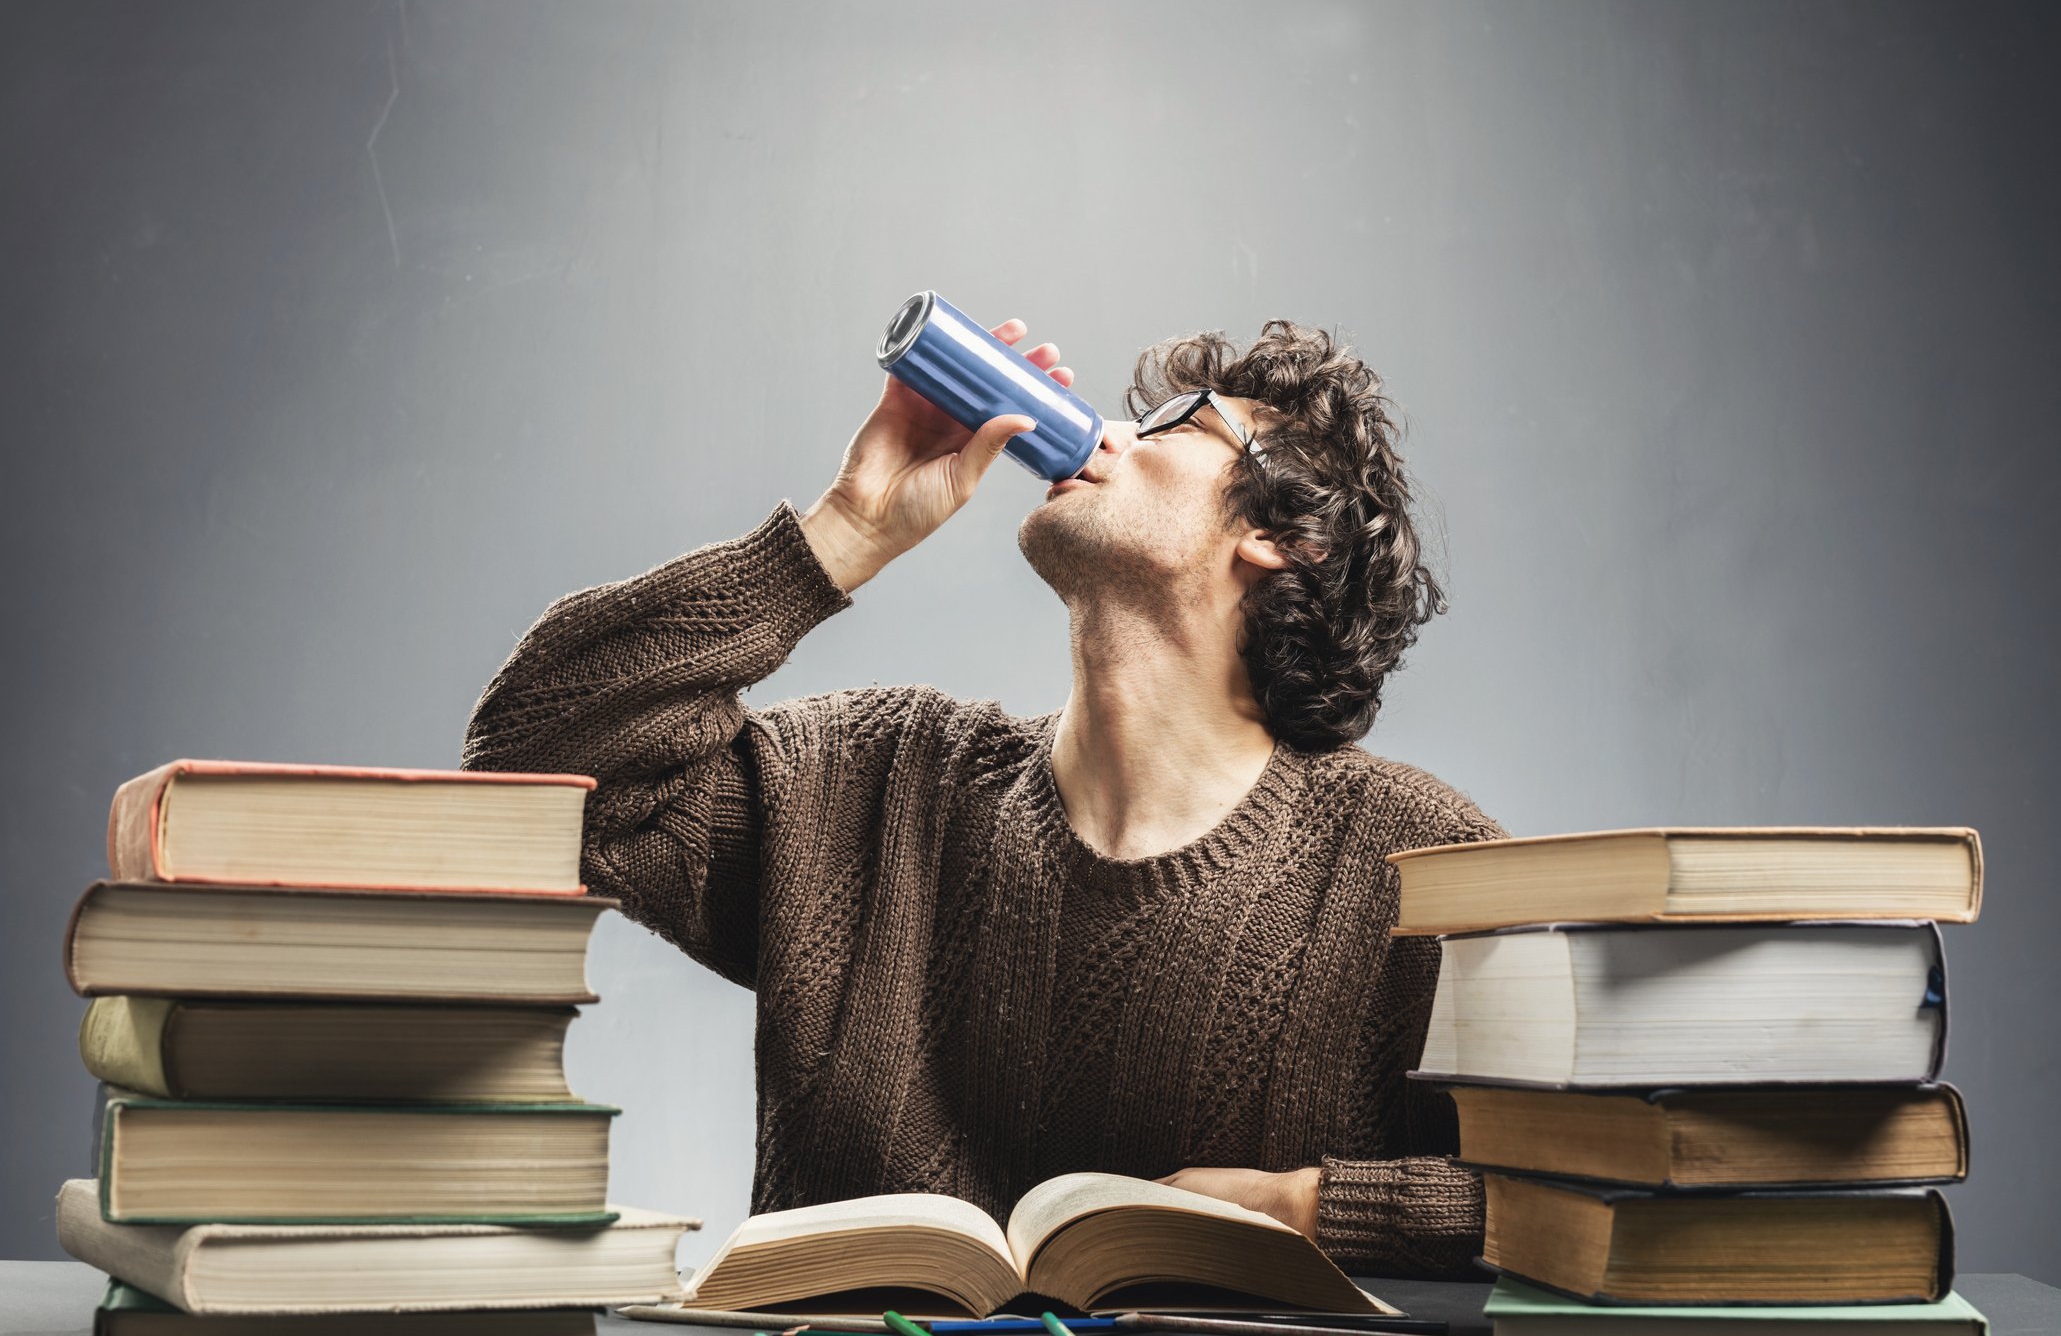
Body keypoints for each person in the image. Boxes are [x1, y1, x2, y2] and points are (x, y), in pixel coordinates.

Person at [462, 314, 1505, 1277]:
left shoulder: (1419, 867)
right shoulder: (879, 779)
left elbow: (1622, 1200)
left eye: (1176, 425)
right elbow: (533, 758)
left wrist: (1305, 1209)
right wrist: (842, 532)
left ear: (1288, 538)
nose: (1101, 434)